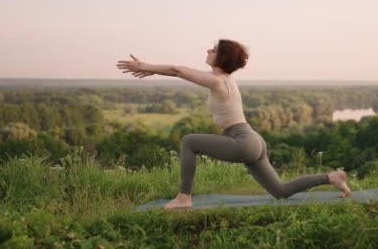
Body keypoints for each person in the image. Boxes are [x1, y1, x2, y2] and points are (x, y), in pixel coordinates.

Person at [116, 39, 351, 210]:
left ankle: (184, 197)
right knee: (280, 191)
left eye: (215, 49)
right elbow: (181, 73)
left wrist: (145, 66)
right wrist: (154, 73)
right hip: (253, 141)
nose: (209, 49)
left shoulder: (218, 82)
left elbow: (179, 70)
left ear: (222, 57)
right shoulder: (224, 80)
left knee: (189, 142)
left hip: (242, 141)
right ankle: (331, 177)